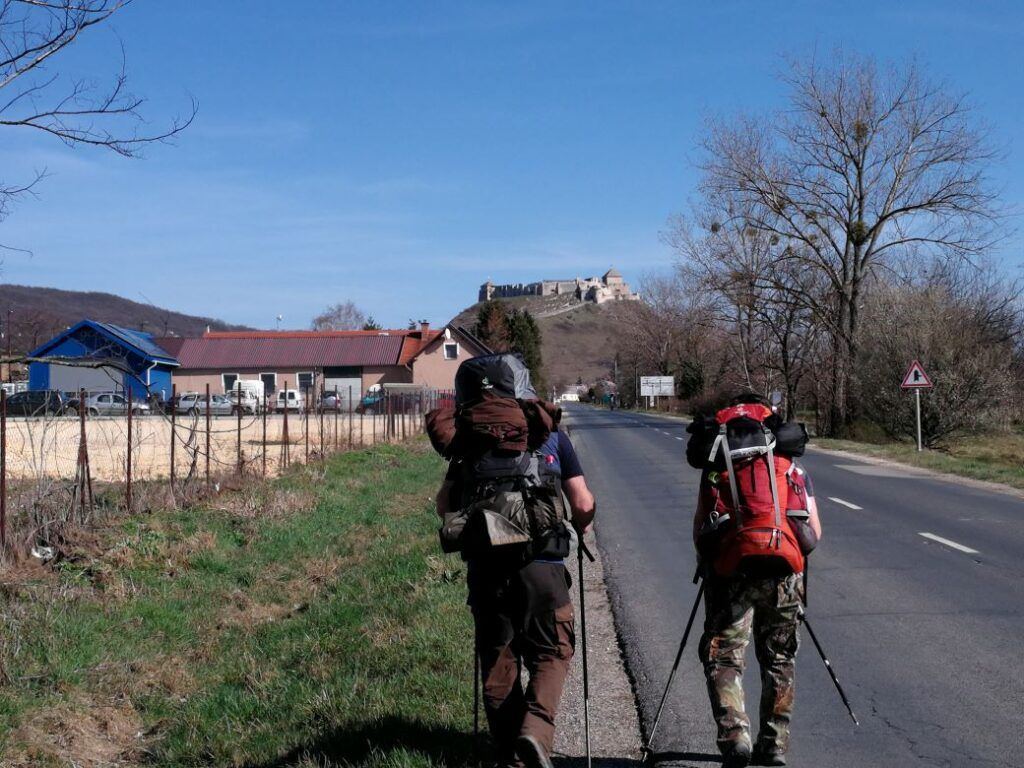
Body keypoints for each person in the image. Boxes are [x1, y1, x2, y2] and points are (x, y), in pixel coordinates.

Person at [436, 427, 596, 768]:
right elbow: (582, 502)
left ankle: (511, 757)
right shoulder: (552, 437)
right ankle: (535, 732)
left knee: (498, 663)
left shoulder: (471, 439)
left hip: (486, 572)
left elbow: (443, 505)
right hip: (543, 569)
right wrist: (582, 527)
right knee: (553, 650)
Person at [692, 394, 822, 768]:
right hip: (784, 574)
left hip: (730, 574)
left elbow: (700, 529)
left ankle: (736, 738)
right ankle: (775, 744)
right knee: (779, 658)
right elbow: (814, 531)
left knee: (724, 658)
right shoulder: (792, 470)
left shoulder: (717, 469)